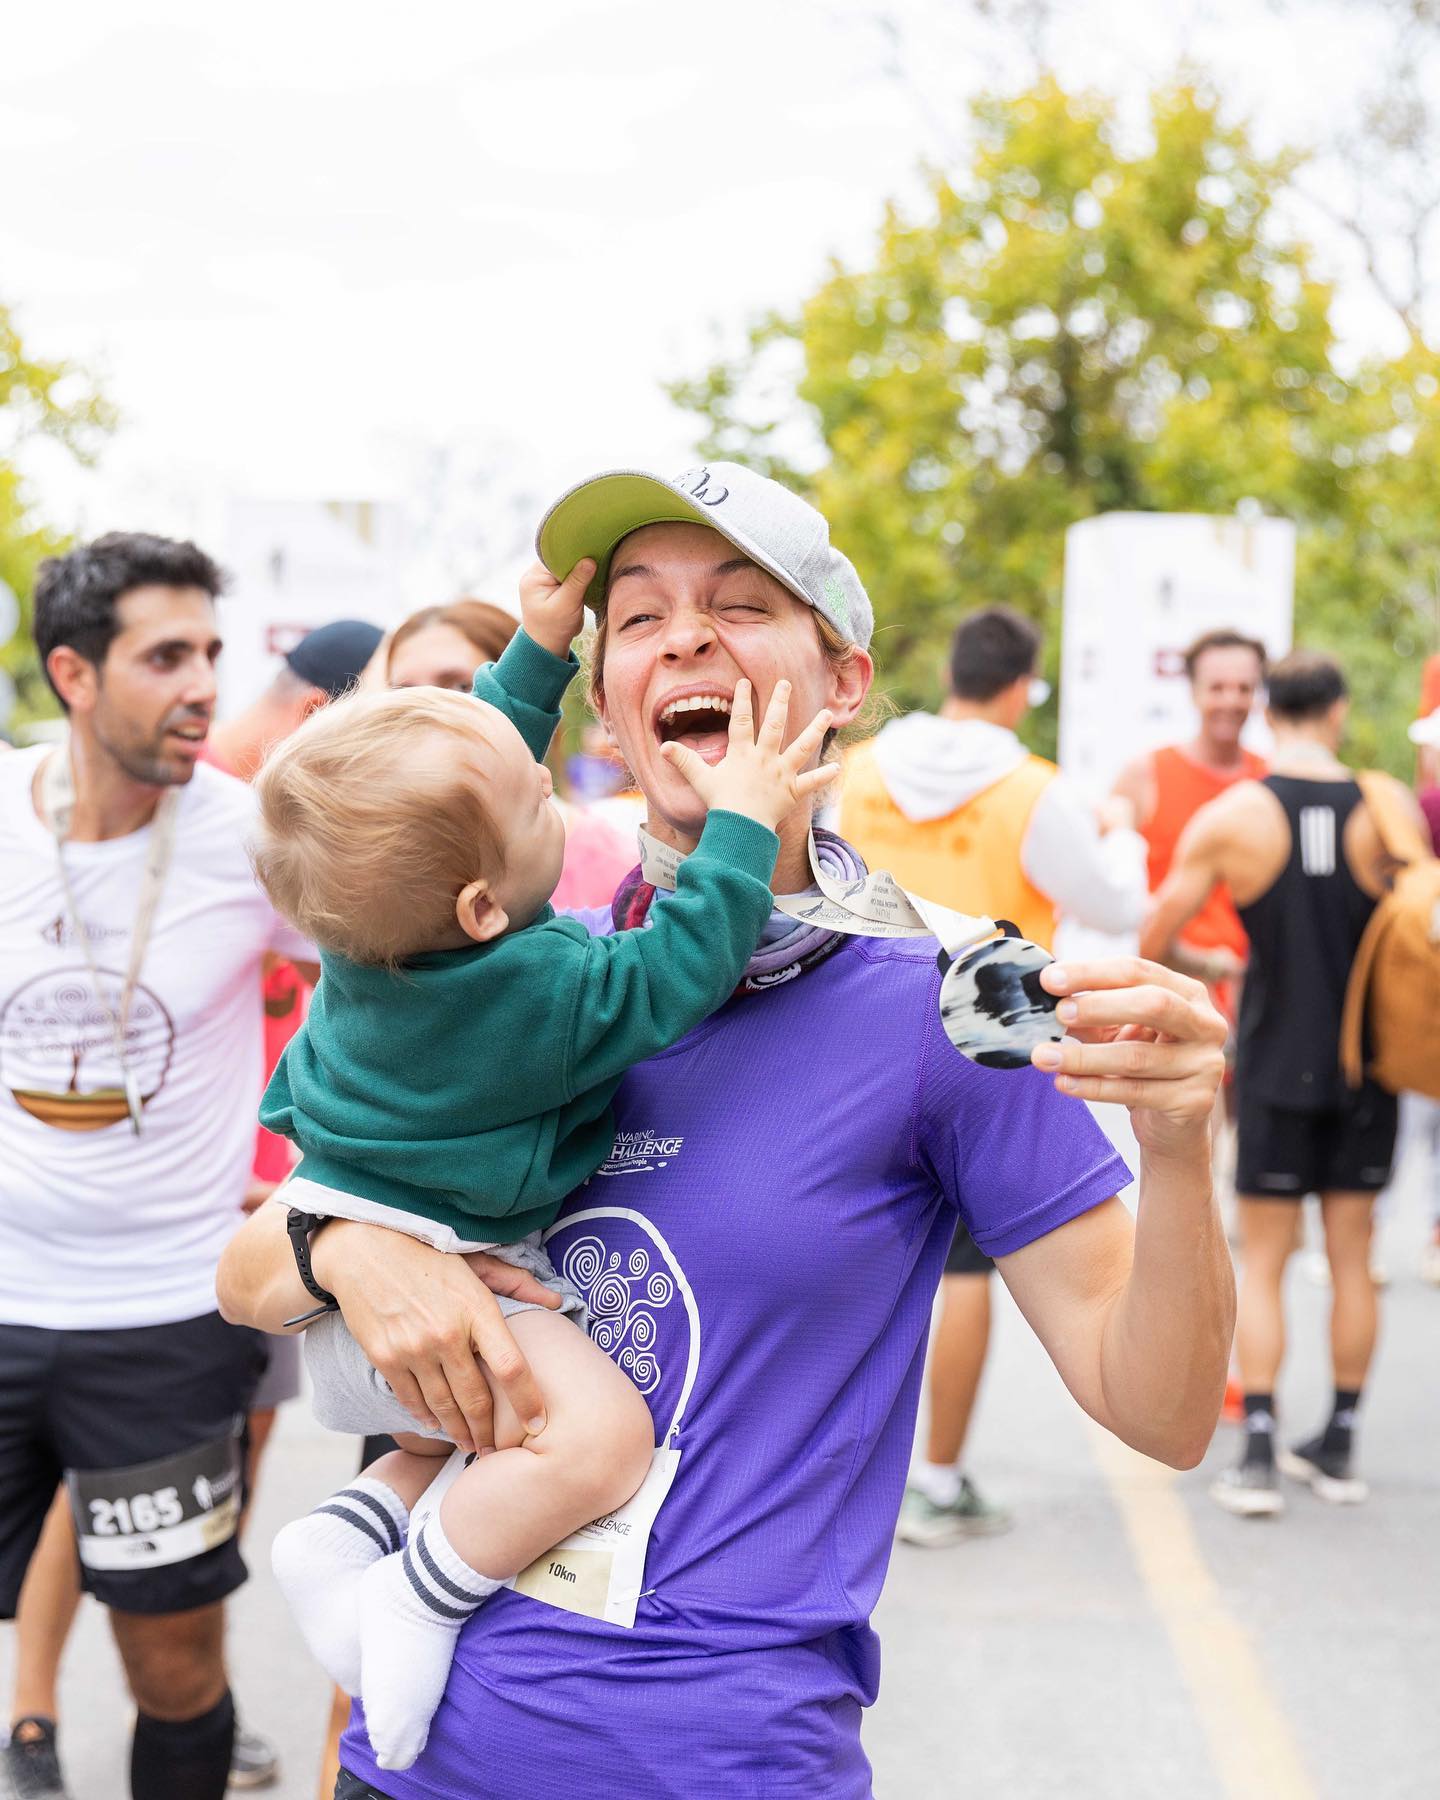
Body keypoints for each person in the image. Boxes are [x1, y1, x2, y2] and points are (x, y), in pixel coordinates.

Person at [218, 461, 1232, 1800]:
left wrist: (1177, 1152)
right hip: (414, 1752)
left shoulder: (968, 992)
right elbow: (243, 1275)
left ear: (845, 682)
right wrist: (357, 1253)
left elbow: (1156, 1413)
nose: (686, 635)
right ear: (608, 714)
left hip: (725, 1764)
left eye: (742, 603)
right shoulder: (530, 980)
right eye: (637, 617)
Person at [253, 560, 838, 1770]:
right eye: (544, 810)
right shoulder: (546, 990)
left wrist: (533, 654)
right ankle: (422, 1585)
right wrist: (744, 816)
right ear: (481, 909)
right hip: (445, 1282)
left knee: (457, 1441)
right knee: (591, 1440)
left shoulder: (371, 941)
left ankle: (356, 1522)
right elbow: (680, 966)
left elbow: (460, 784)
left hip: (341, 1273)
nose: (559, 803)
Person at [0, 533, 318, 1800]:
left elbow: (407, 991)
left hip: (171, 1324)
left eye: (212, 654)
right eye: (165, 655)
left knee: (174, 1669)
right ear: (75, 674)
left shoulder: (255, 839)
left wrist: (328, 1174)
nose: (203, 684)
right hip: (3, 1298)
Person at [839, 604, 1146, 1546]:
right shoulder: (1035, 789)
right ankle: (938, 1478)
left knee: (852, 1259)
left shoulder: (859, 768)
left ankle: (840, 1478)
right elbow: (1115, 901)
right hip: (987, 1036)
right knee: (966, 1268)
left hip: (850, 1025)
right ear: (1019, 685)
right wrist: (1123, 829)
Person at [1141, 651, 1420, 1518]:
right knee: (1350, 1258)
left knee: (1263, 1260)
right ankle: (1338, 1443)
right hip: (1368, 1066)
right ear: (1336, 712)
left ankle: (1258, 1447)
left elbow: (1157, 935)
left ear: (1270, 713)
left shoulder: (1236, 816)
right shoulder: (1387, 808)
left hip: (1271, 1062)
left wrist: (1211, 960)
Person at [1114, 628, 1268, 994]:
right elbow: (1111, 886)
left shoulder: (1270, 780)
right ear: (1194, 691)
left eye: (1244, 689)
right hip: (1164, 990)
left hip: (1249, 996)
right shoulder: (1146, 774)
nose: (1231, 700)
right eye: (1217, 688)